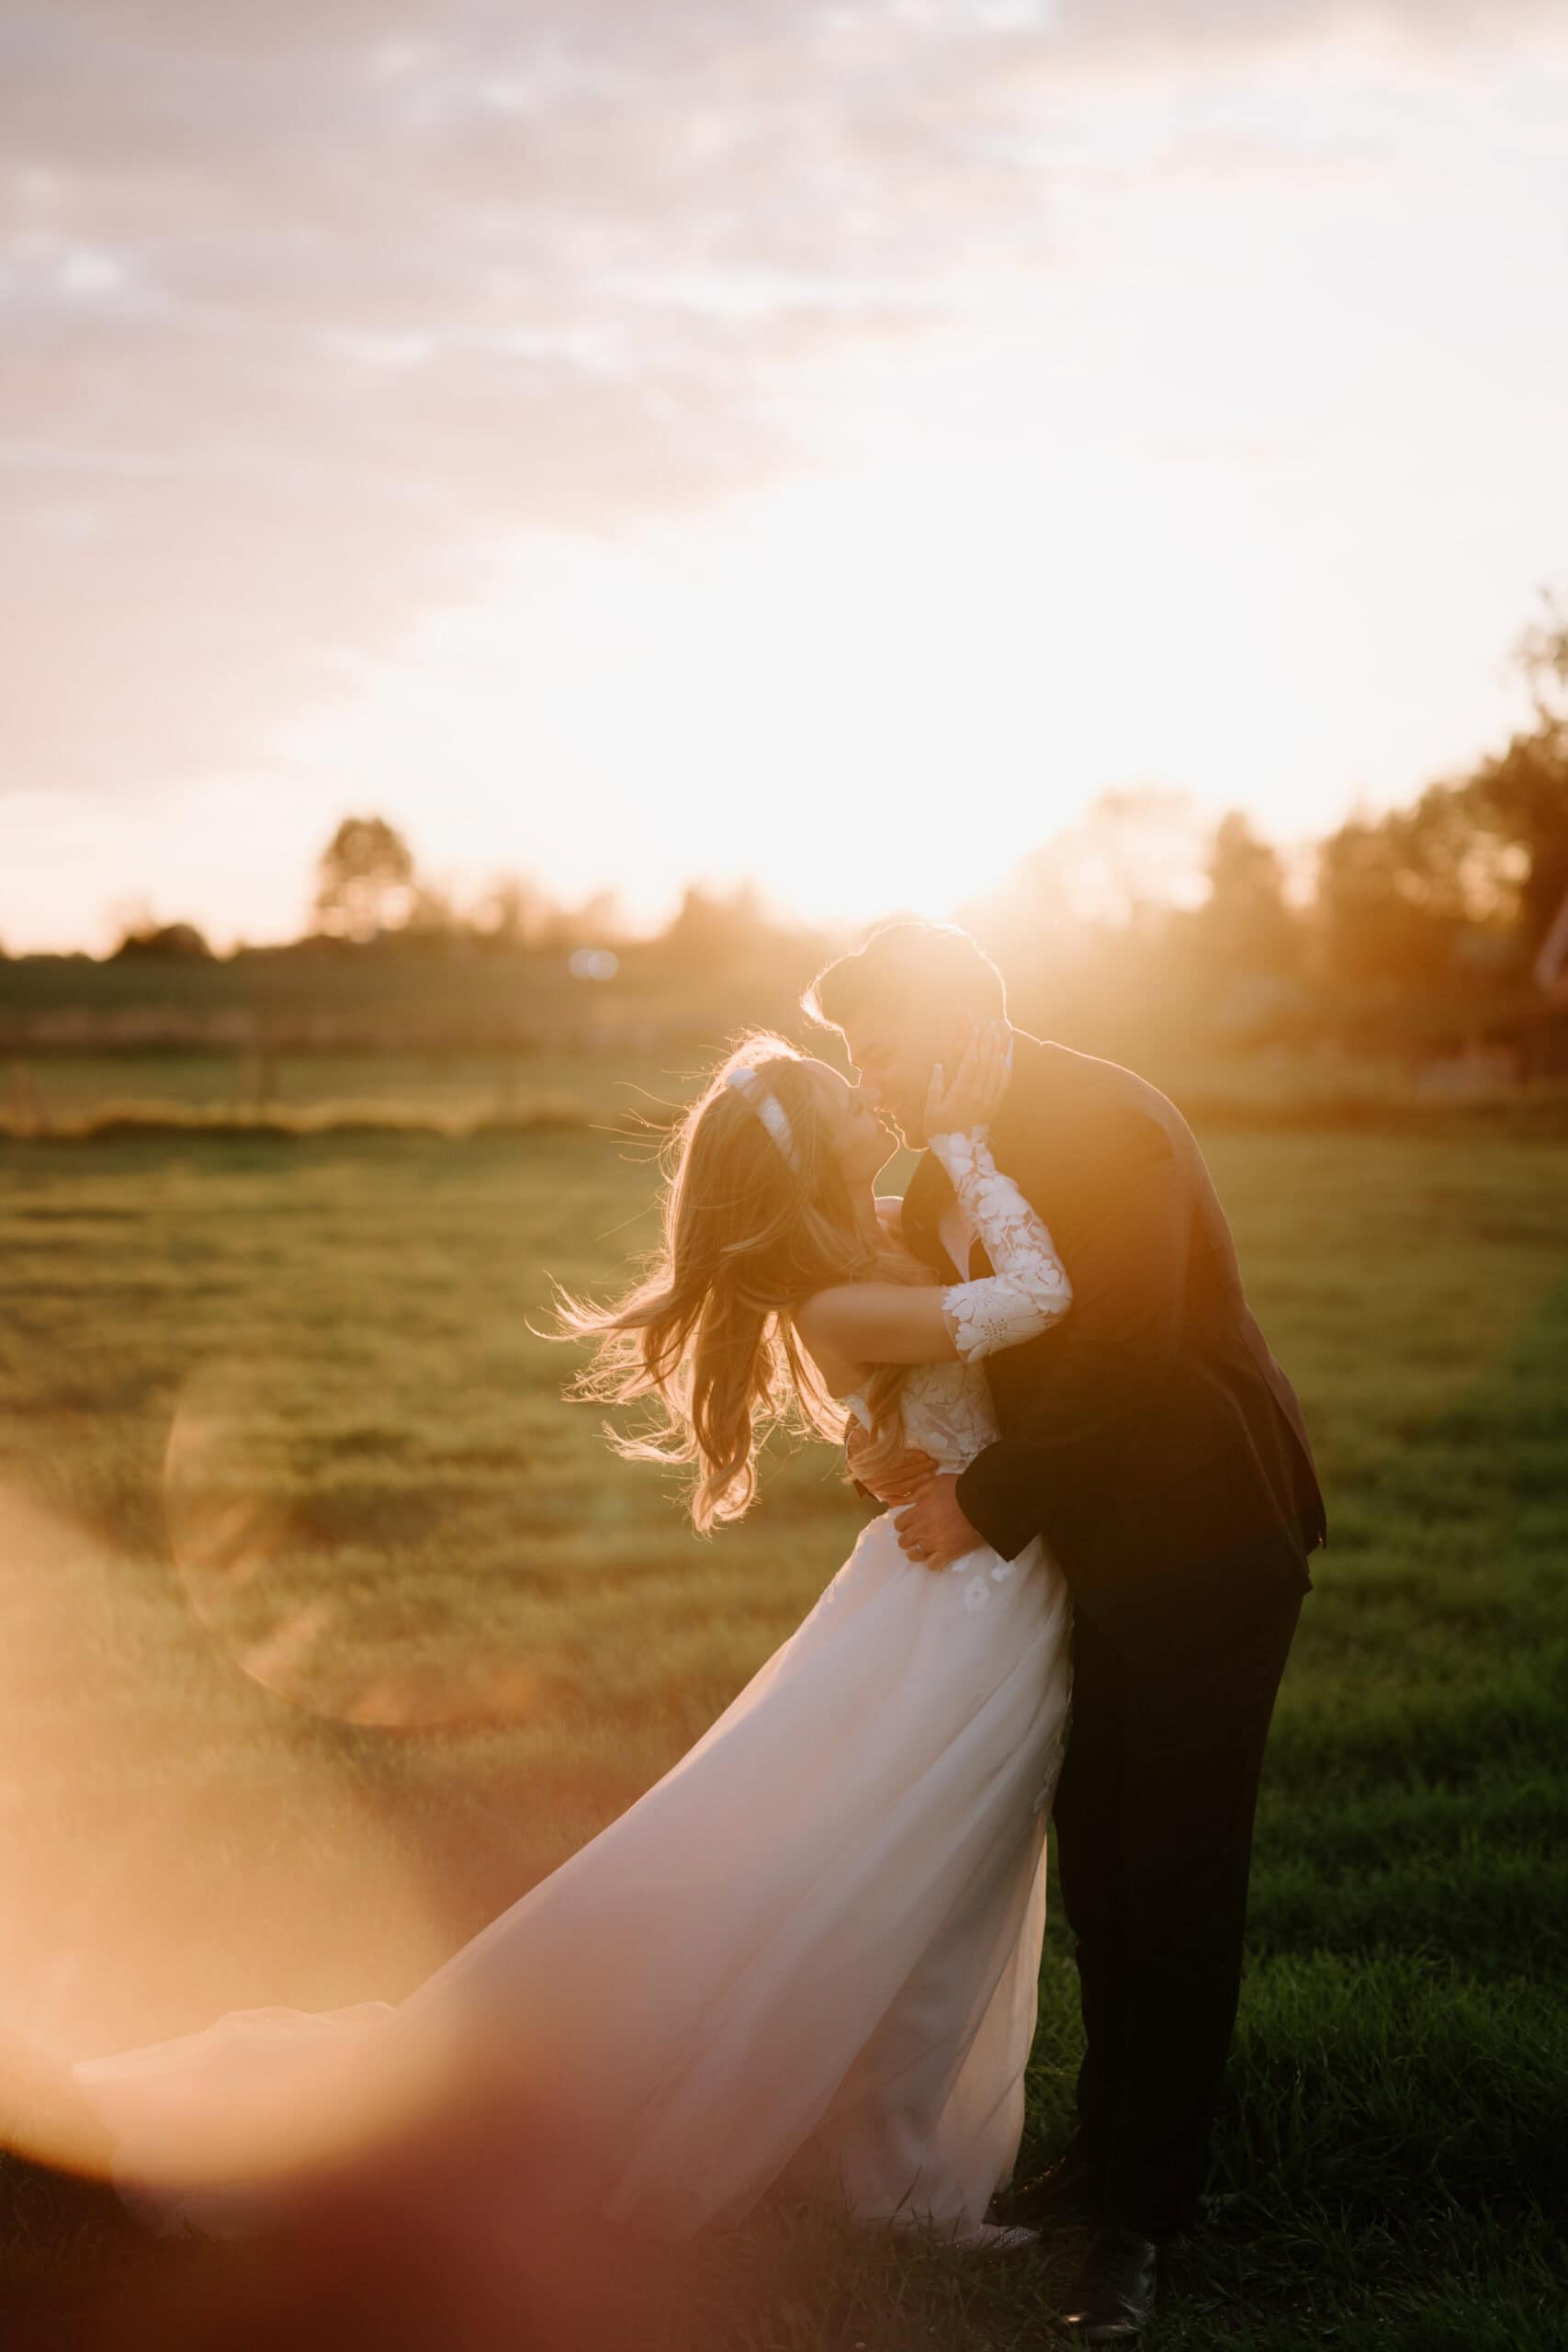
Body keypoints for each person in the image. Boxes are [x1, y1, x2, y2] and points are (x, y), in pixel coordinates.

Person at [73, 1023, 1079, 2259]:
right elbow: (1039, 1300)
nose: (881, 1107)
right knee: (913, 1884)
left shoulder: (865, 1246)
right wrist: (975, 1142)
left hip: (965, 1588)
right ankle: (901, 2196)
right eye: (850, 1108)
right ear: (819, 1157)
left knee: (915, 1880)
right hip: (957, 1607)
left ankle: (891, 2177)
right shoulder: (839, 1293)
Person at [807, 920, 1325, 2343]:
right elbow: (962, 1332)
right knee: (1102, 1867)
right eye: (856, 1056)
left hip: (1202, 1543)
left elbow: (1124, 1348)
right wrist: (884, 1419)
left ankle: (1141, 2230)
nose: (875, 1075)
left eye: (885, 1044)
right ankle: (1104, 2155)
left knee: (1172, 1884)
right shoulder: (949, 1155)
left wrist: (984, 1504)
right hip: (1084, 1554)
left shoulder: (1099, 1122)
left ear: (963, 1018)